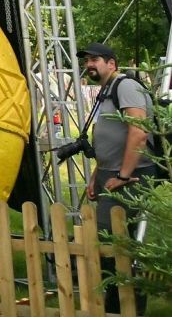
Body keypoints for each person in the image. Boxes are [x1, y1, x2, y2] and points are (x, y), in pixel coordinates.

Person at [78, 42, 154, 314]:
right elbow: (109, 139)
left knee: (113, 240)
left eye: (95, 59)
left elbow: (139, 132)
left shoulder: (126, 86)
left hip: (131, 176)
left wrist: (124, 174)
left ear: (111, 63)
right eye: (87, 60)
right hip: (109, 174)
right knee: (113, 243)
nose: (89, 65)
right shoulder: (106, 91)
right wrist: (96, 175)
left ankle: (128, 306)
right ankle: (116, 304)